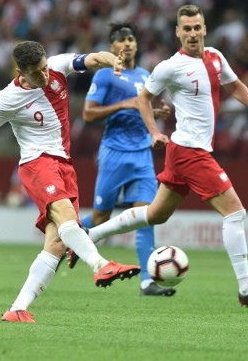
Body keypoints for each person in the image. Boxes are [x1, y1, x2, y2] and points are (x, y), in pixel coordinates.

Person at [0, 40, 140, 324]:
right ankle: (101, 264)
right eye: (36, 73)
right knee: (67, 217)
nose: (44, 76)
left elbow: (92, 59)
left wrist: (112, 61)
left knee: (56, 244)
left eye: (44, 68)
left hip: (64, 166)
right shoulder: (7, 99)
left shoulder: (56, 66)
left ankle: (17, 309)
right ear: (20, 72)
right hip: (37, 164)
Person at [79, 5, 248, 310]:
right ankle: (246, 288)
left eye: (197, 27)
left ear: (204, 28)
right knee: (235, 213)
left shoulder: (215, 57)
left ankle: (90, 234)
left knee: (155, 213)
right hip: (190, 152)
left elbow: (234, 84)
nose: (192, 34)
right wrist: (153, 132)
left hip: (184, 153)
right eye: (186, 29)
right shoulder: (169, 67)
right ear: (178, 32)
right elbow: (144, 98)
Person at [66, 22, 175, 296]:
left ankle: (148, 281)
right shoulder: (105, 76)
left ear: (136, 45)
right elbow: (89, 114)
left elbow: (144, 106)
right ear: (112, 47)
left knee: (145, 215)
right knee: (101, 215)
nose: (127, 44)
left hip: (141, 154)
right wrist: (127, 104)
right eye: (121, 40)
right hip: (114, 152)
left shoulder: (144, 75)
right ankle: (70, 238)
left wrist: (153, 113)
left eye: (131, 39)